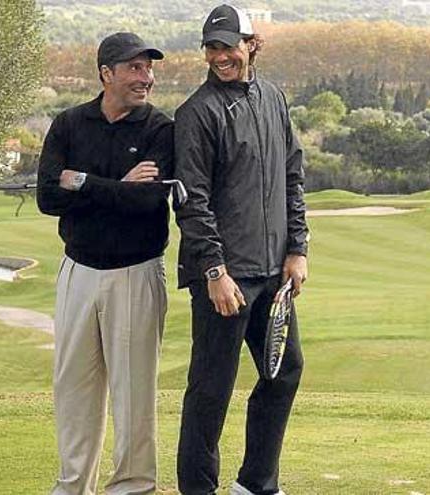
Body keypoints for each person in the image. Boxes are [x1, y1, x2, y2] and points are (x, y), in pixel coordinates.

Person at [172, 5, 310, 495]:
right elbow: (192, 202)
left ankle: (255, 484)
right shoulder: (197, 113)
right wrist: (213, 270)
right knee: (210, 391)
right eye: (211, 47)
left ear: (252, 44)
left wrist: (298, 249)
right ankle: (198, 489)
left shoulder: (273, 98)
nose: (219, 56)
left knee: (284, 371)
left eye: (228, 45)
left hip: (272, 274)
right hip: (224, 279)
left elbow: (292, 177)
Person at [36, 32, 173, 495]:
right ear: (106, 74)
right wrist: (116, 185)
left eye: (148, 69)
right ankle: (73, 485)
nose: (146, 78)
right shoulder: (69, 124)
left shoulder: (159, 129)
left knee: (133, 394)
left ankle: (132, 487)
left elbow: (146, 202)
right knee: (74, 388)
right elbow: (48, 196)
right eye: (135, 69)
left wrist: (84, 183)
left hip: (135, 273)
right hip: (77, 271)